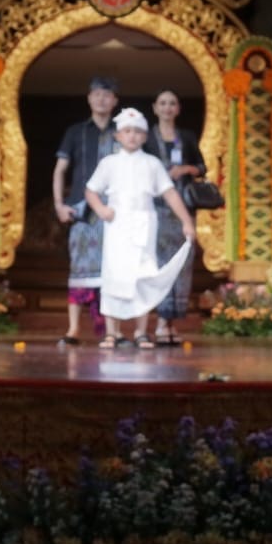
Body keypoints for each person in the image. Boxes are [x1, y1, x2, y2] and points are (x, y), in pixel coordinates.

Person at [84, 107, 196, 349]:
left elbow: (169, 193)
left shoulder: (152, 163)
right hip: (117, 224)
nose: (132, 136)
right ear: (118, 135)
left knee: (143, 276)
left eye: (137, 131)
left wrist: (186, 221)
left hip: (144, 223)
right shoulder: (109, 163)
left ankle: (141, 332)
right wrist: (101, 209)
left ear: (144, 136)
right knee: (114, 274)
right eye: (127, 131)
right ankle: (111, 332)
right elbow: (91, 190)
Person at [52, 75, 120, 346]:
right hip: (82, 209)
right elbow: (60, 170)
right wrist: (59, 204)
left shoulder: (123, 132)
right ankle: (74, 329)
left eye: (107, 95)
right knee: (79, 268)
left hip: (114, 211)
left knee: (114, 268)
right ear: (89, 98)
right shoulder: (75, 132)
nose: (102, 99)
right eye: (97, 94)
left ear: (115, 101)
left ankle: (114, 331)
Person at [143, 88, 205, 346]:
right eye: (163, 103)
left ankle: (171, 323)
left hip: (184, 210)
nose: (167, 108)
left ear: (178, 109)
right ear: (155, 108)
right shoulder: (147, 138)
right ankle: (160, 323)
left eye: (172, 103)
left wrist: (185, 169)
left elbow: (202, 167)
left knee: (182, 265)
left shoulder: (186, 137)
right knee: (160, 265)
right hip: (157, 209)